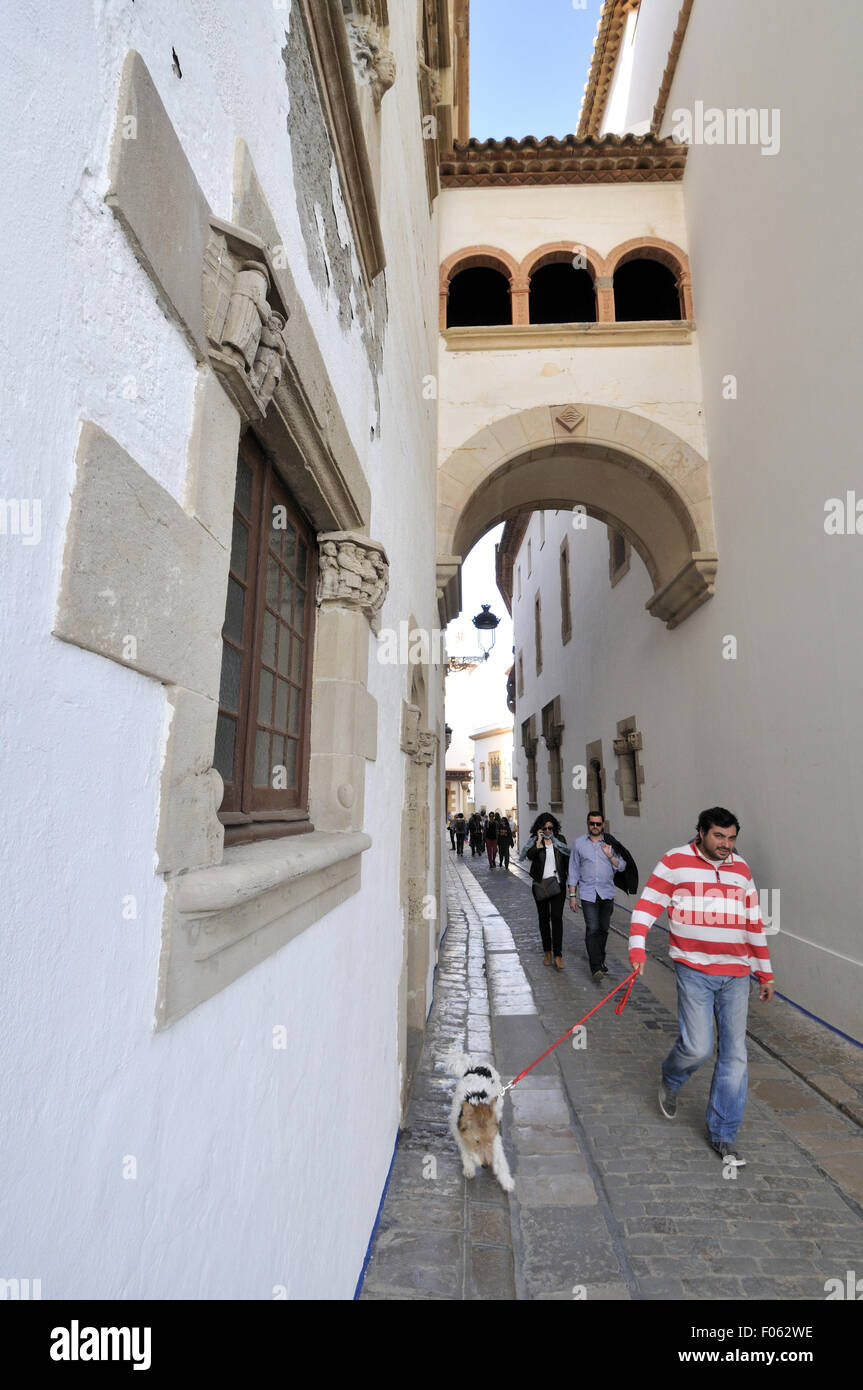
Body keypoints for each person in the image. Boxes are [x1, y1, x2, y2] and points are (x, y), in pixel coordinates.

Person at [628, 806, 775, 1167]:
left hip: (737, 974)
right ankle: (671, 1077)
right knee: (697, 1047)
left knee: (735, 1055)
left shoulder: (741, 870)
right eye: (719, 837)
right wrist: (637, 946)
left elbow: (754, 922)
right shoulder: (675, 861)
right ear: (701, 833)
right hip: (693, 969)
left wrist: (765, 972)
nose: (726, 844)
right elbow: (647, 905)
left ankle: (723, 1134)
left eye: (731, 838)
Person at [568, 812, 628, 983]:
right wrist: (573, 896)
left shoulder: (611, 844)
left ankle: (600, 960)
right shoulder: (579, 844)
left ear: (603, 825)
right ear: (587, 824)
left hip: (607, 893)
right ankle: (595, 967)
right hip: (588, 893)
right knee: (592, 928)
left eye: (598, 824)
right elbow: (573, 871)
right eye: (592, 823)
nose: (595, 826)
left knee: (603, 929)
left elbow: (622, 866)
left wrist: (610, 856)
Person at [519, 811, 569, 970]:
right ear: (539, 829)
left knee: (557, 918)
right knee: (543, 919)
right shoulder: (535, 842)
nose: (548, 831)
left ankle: (558, 955)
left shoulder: (559, 840)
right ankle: (547, 951)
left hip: (558, 884)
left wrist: (571, 883)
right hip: (540, 886)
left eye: (550, 828)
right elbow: (529, 856)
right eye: (545, 828)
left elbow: (567, 857)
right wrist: (539, 842)